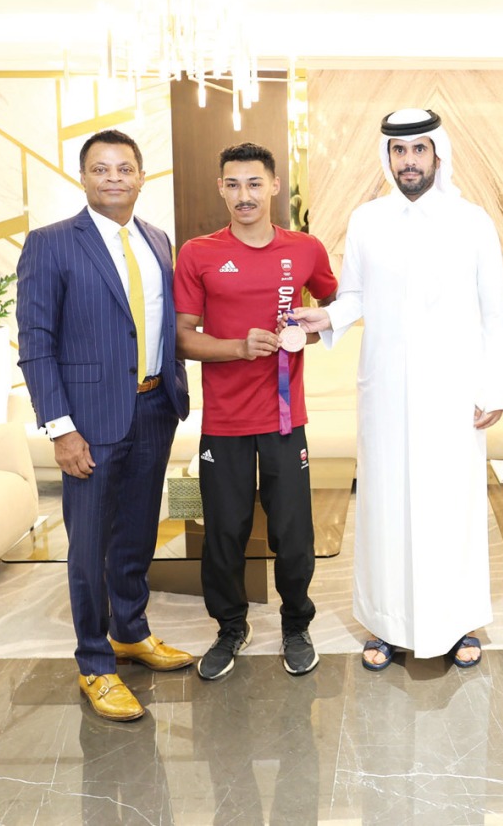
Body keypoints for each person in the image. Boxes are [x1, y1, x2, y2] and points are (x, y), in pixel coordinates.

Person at [291, 108, 503, 671]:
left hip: (453, 395)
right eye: (398, 151)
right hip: (386, 392)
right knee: (386, 507)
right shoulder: (368, 221)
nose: (408, 161)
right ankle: (386, 624)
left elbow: (495, 313)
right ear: (387, 158)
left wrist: (495, 386)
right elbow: (358, 295)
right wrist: (328, 318)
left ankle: (459, 622)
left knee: (451, 506)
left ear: (438, 154)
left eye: (418, 150)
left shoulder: (474, 222)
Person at [17, 129, 193, 722]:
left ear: (142, 176)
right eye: (101, 169)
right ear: (83, 177)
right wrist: (61, 428)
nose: (113, 178)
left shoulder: (158, 239)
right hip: (88, 423)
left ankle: (130, 632)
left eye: (125, 168)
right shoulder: (51, 244)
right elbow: (36, 345)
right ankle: (95, 662)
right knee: (88, 547)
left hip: (152, 410)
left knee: (138, 535)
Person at [174, 142, 337, 680]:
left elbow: (339, 308)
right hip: (224, 421)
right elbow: (182, 340)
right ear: (221, 187)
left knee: (295, 532)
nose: (244, 195)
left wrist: (309, 329)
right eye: (233, 184)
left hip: (288, 417)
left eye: (254, 183)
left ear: (273, 185)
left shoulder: (306, 249)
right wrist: (238, 348)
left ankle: (296, 624)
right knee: (224, 531)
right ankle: (229, 628)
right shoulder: (197, 253)